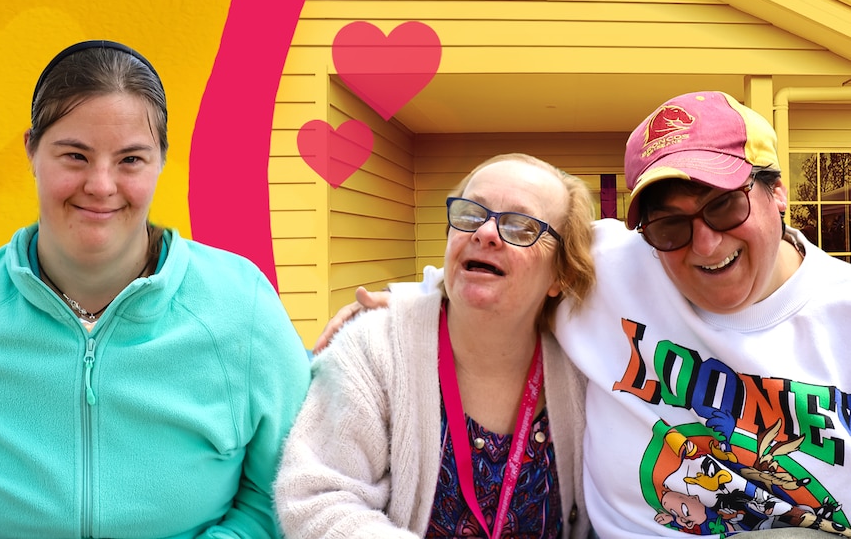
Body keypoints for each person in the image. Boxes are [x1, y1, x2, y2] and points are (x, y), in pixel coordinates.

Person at [316, 91, 851, 538]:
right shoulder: (612, 268)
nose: (705, 244)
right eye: (670, 224)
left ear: (776, 191)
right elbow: (498, 258)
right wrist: (406, 309)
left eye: (725, 205)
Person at [0, 40, 311, 538]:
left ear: (161, 159)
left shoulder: (241, 305)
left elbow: (292, 485)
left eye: (130, 160)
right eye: (75, 155)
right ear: (32, 150)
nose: (101, 184)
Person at [275, 153, 596, 538]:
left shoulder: (588, 365)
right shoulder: (374, 347)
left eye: (520, 225)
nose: (485, 233)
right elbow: (318, 499)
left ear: (559, 274)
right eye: (471, 213)